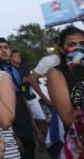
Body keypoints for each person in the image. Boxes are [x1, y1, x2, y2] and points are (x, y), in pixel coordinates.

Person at [0, 38, 35, 159]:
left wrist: (34, 126)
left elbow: (21, 95)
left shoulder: (15, 70)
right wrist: (12, 134)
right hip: (6, 117)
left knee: (30, 148)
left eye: (6, 47)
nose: (4, 50)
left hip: (22, 114)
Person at [47, 26, 84, 158]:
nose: (78, 47)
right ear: (62, 49)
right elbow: (68, 118)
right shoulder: (56, 74)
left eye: (82, 43)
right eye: (72, 44)